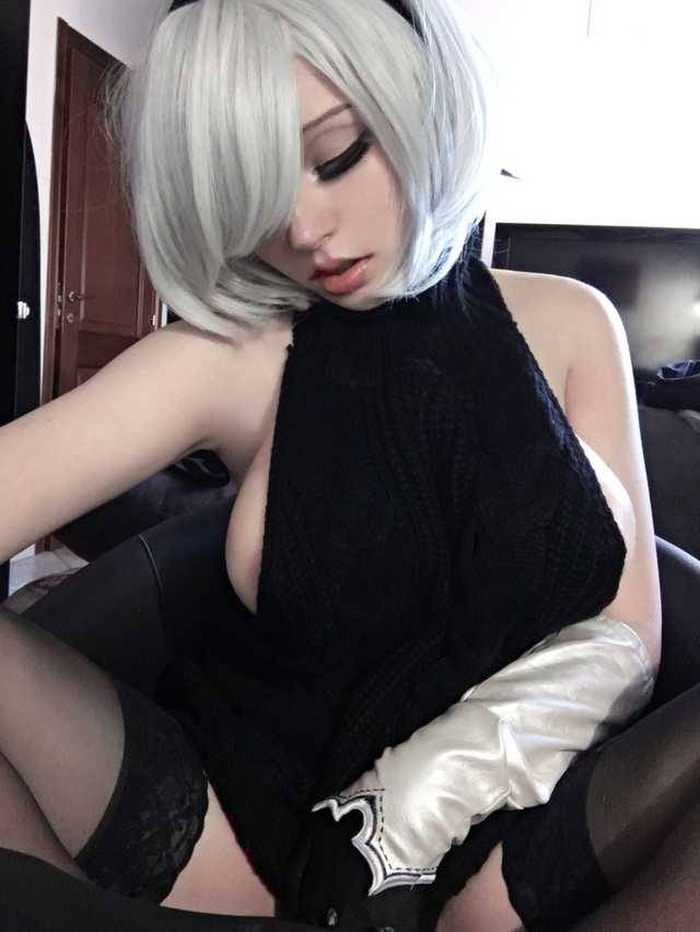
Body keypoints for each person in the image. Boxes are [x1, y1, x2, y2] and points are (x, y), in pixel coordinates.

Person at [1, 1, 699, 930]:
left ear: (417, 99)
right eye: (253, 193)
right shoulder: (232, 356)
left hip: (515, 836)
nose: (303, 230)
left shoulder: (573, 323)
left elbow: (628, 635)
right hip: (237, 843)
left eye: (336, 156)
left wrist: (402, 814)